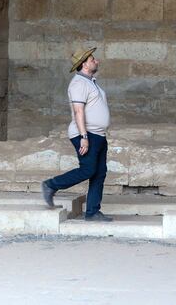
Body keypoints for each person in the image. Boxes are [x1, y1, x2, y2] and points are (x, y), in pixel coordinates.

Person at [41, 47, 113, 222]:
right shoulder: (79, 83)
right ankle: (51, 185)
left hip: (98, 134)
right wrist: (84, 137)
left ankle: (92, 212)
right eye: (93, 59)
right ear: (84, 64)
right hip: (86, 134)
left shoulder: (90, 81)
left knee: (99, 172)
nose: (97, 61)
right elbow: (78, 111)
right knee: (88, 169)